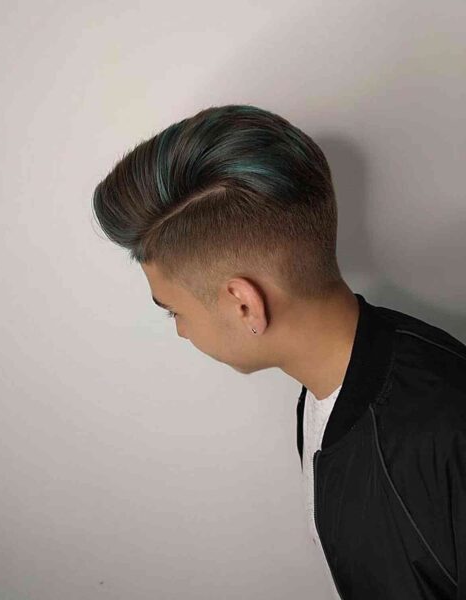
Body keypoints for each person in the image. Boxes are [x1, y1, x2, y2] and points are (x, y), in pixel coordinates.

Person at [91, 104, 465, 600]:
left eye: (173, 311)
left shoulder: (441, 434)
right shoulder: (327, 385)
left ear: (244, 305)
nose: (180, 331)